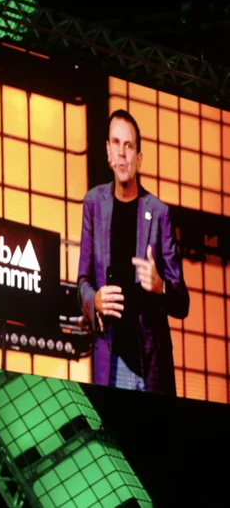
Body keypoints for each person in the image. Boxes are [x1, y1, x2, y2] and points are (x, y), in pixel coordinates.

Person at [77, 109, 190, 395]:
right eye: (116, 144)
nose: (122, 153)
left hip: (150, 362)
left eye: (129, 146)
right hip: (109, 357)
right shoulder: (93, 204)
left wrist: (160, 285)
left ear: (139, 157)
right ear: (107, 151)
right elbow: (82, 283)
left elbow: (182, 303)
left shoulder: (159, 212)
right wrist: (95, 300)